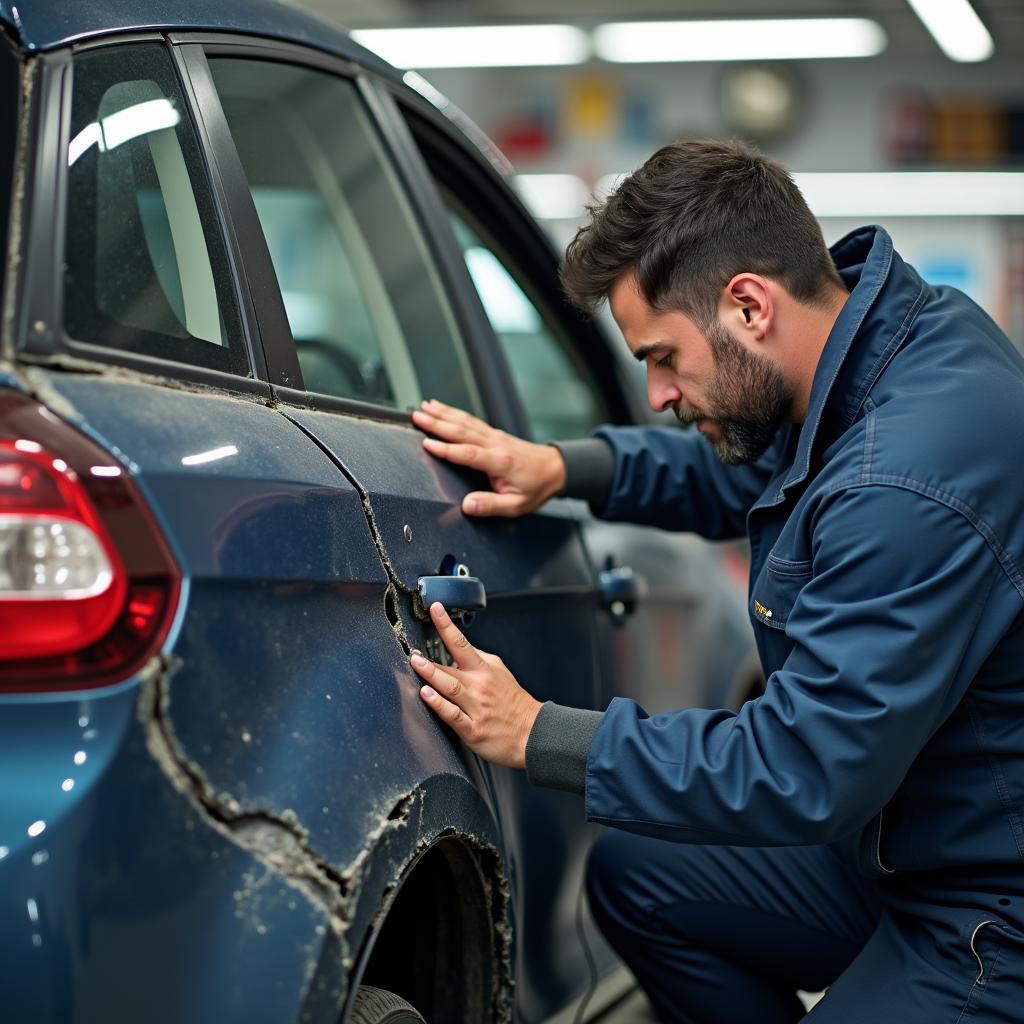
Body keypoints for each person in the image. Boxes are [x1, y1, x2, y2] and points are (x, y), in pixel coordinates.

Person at [407, 139, 1024, 1022]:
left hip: (989, 904)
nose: (657, 393)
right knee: (637, 875)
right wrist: (561, 467)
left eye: (663, 357)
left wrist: (540, 730)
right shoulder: (885, 349)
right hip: (899, 840)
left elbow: (803, 767)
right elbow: (753, 469)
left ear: (747, 304)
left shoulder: (905, 481)